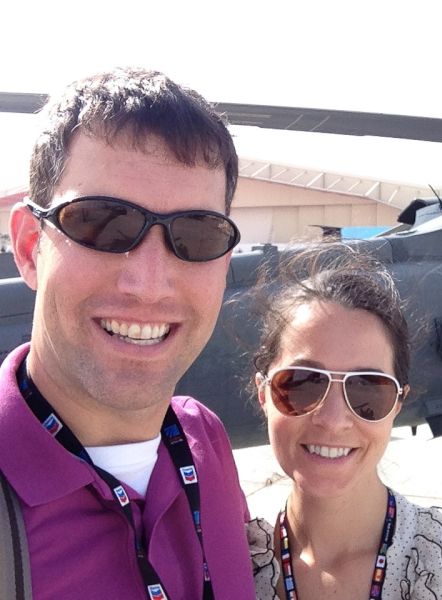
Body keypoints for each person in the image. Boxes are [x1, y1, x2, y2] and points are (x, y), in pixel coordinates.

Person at [0, 68, 256, 599]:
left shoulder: (203, 440)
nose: (148, 284)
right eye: (101, 224)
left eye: (196, 235)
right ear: (28, 247)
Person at [247, 245, 442, 599]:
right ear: (263, 393)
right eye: (302, 383)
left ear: (398, 403)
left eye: (367, 389)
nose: (333, 420)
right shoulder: (226, 568)